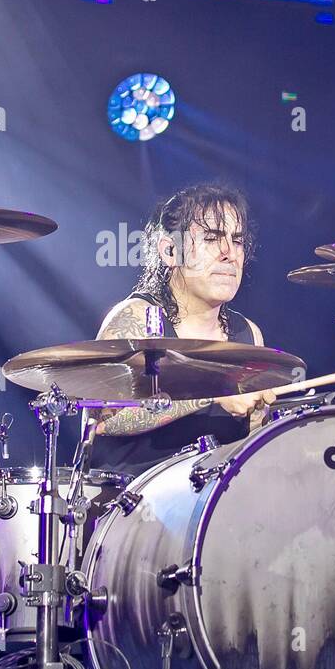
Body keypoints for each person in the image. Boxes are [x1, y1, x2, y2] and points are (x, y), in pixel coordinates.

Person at [86, 184, 276, 481]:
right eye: (212, 238)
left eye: (237, 241)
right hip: (134, 508)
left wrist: (263, 420)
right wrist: (213, 392)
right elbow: (104, 422)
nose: (229, 254)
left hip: (213, 508)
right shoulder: (134, 319)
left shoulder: (248, 334)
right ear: (170, 250)